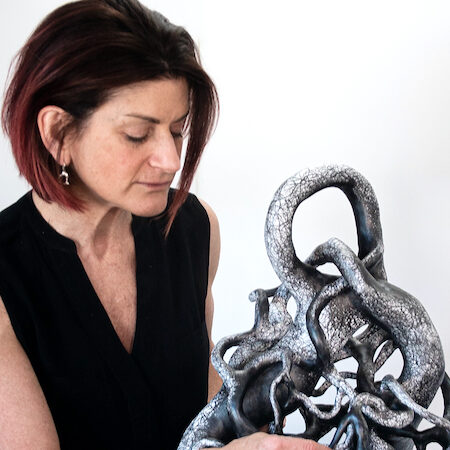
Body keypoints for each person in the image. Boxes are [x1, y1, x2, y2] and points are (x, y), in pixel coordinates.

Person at [0, 0, 328, 449]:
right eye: (137, 134)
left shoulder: (195, 228)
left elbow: (203, 411)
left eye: (177, 130)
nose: (171, 160)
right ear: (57, 133)